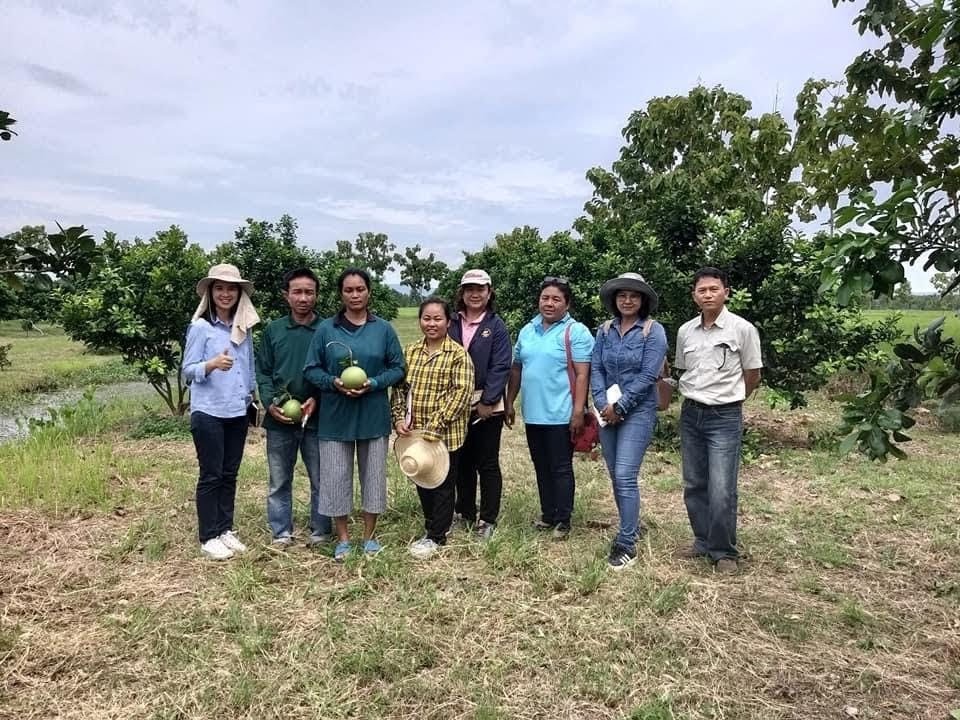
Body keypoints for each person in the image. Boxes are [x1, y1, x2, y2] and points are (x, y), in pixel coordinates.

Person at [303, 268, 405, 562]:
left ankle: (370, 536)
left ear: (369, 291)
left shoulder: (383, 329)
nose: (355, 295)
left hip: (373, 414)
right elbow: (312, 368)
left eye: (360, 289)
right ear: (341, 294)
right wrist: (332, 383)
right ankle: (344, 538)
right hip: (336, 416)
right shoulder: (326, 329)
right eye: (349, 290)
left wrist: (374, 383)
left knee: (373, 476)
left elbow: (398, 368)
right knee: (335, 477)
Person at [675, 267, 762, 573]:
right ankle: (702, 541)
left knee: (722, 487)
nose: (708, 294)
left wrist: (734, 398)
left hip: (724, 416)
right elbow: (684, 370)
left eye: (714, 289)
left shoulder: (742, 329)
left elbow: (752, 375)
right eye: (702, 290)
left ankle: (723, 551)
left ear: (727, 292)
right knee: (694, 483)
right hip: (691, 413)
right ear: (694, 295)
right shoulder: (686, 331)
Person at [505, 276, 594, 539]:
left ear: (567, 304)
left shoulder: (575, 332)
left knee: (560, 467)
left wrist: (578, 411)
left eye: (557, 299)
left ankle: (563, 520)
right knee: (541, 465)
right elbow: (516, 367)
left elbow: (581, 374)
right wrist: (509, 401)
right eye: (545, 298)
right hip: (533, 414)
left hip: (561, 413)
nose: (550, 303)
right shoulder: (527, 329)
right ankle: (548, 514)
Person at [590, 272, 668, 571]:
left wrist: (621, 406)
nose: (627, 299)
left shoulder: (653, 331)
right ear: (614, 299)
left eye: (634, 295)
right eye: (622, 295)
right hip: (607, 410)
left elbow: (649, 375)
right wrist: (601, 403)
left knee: (624, 475)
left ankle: (626, 544)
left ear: (643, 300)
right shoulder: (605, 330)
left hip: (637, 411)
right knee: (615, 474)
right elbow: (596, 367)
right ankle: (631, 525)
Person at [182, 263, 260, 560]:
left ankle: (225, 529)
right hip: (209, 412)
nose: (225, 293)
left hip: (236, 412)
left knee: (230, 473)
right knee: (211, 474)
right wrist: (211, 365)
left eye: (231, 288)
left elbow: (248, 367)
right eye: (219, 288)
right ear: (211, 293)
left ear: (239, 293)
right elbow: (187, 371)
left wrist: (251, 398)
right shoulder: (201, 327)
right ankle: (208, 535)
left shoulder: (242, 328)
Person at [391, 298, 474, 559]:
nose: (432, 324)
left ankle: (437, 535)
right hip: (416, 434)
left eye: (438, 319)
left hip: (445, 434)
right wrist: (397, 417)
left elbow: (461, 394)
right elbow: (400, 388)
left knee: (443, 483)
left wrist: (436, 425)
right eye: (426, 318)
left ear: (448, 322)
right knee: (423, 477)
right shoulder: (411, 352)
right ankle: (431, 524)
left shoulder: (458, 354)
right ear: (420, 321)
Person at [256, 267, 332, 548]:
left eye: (309, 292)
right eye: (297, 292)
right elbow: (263, 371)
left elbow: (332, 371)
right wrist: (269, 402)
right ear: (286, 296)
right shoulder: (274, 330)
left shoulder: (327, 329)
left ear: (316, 295)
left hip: (317, 419)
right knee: (279, 480)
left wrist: (318, 398)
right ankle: (281, 533)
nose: (303, 298)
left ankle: (320, 531)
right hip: (280, 419)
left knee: (321, 479)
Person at [447, 269, 512, 540]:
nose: (475, 294)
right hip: (453, 402)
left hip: (486, 404)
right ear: (462, 293)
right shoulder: (450, 322)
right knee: (460, 460)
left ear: (489, 292)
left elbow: (501, 366)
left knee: (486, 462)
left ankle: (487, 518)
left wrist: (488, 400)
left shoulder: (496, 326)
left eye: (480, 289)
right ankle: (464, 511)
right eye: (469, 289)